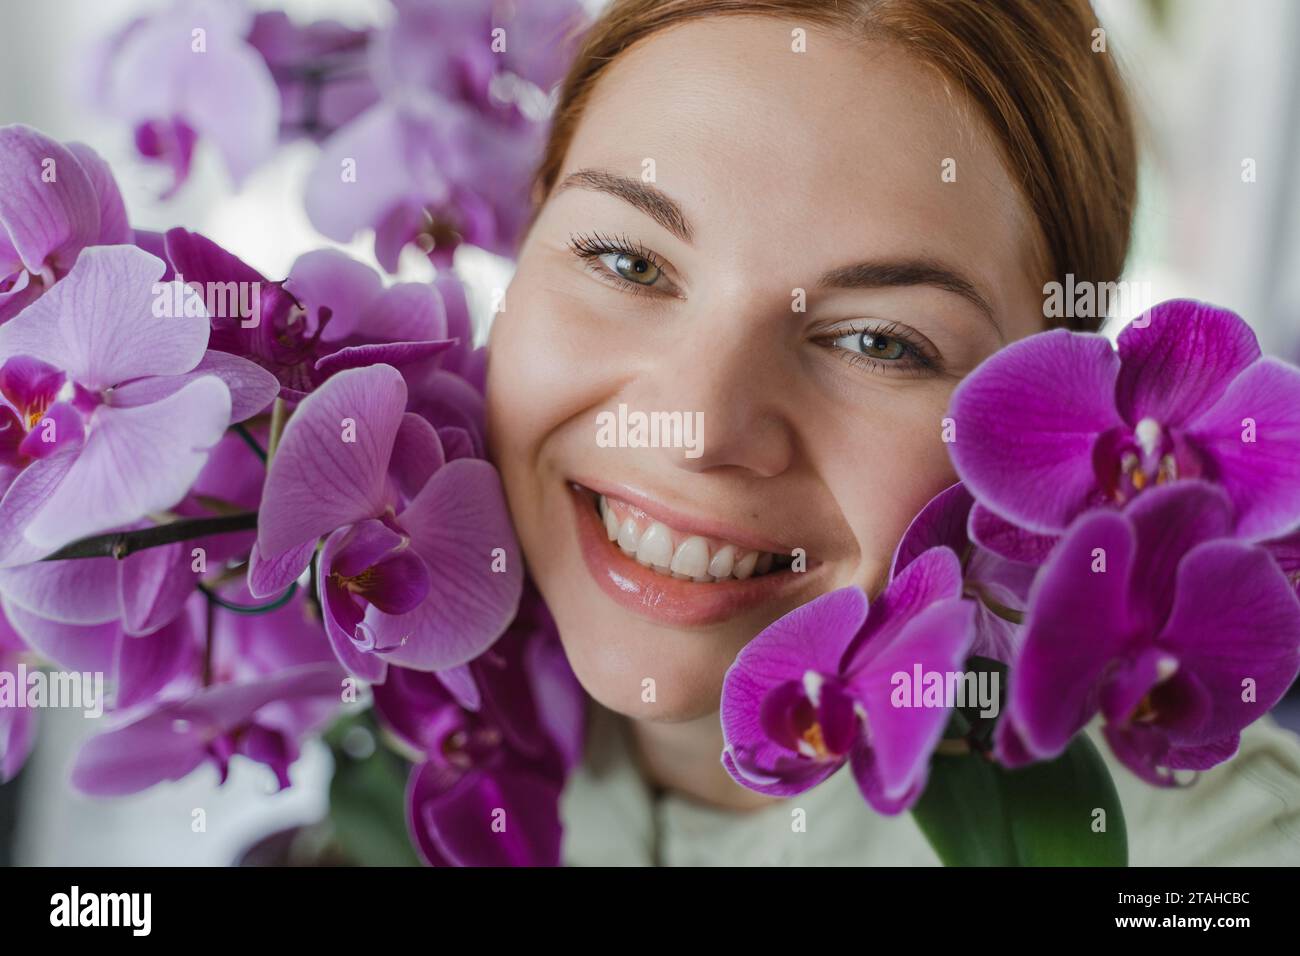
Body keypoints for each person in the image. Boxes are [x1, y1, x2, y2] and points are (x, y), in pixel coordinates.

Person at [484, 0, 1300, 865]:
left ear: (1053, 442)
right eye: (628, 261)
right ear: (528, 228)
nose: (701, 427)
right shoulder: (369, 694)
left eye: (880, 343)